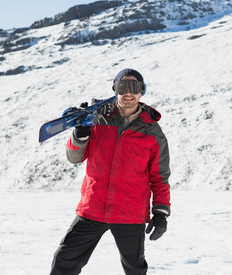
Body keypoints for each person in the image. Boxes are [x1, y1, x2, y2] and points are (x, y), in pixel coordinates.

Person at [50, 68, 171, 275]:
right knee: (63, 263)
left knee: (135, 269)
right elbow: (74, 158)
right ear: (115, 89)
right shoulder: (97, 120)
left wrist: (160, 212)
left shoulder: (152, 131)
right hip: (93, 208)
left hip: (130, 213)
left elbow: (159, 177)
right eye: (123, 87)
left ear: (142, 92)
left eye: (135, 87)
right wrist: (80, 135)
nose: (128, 92)